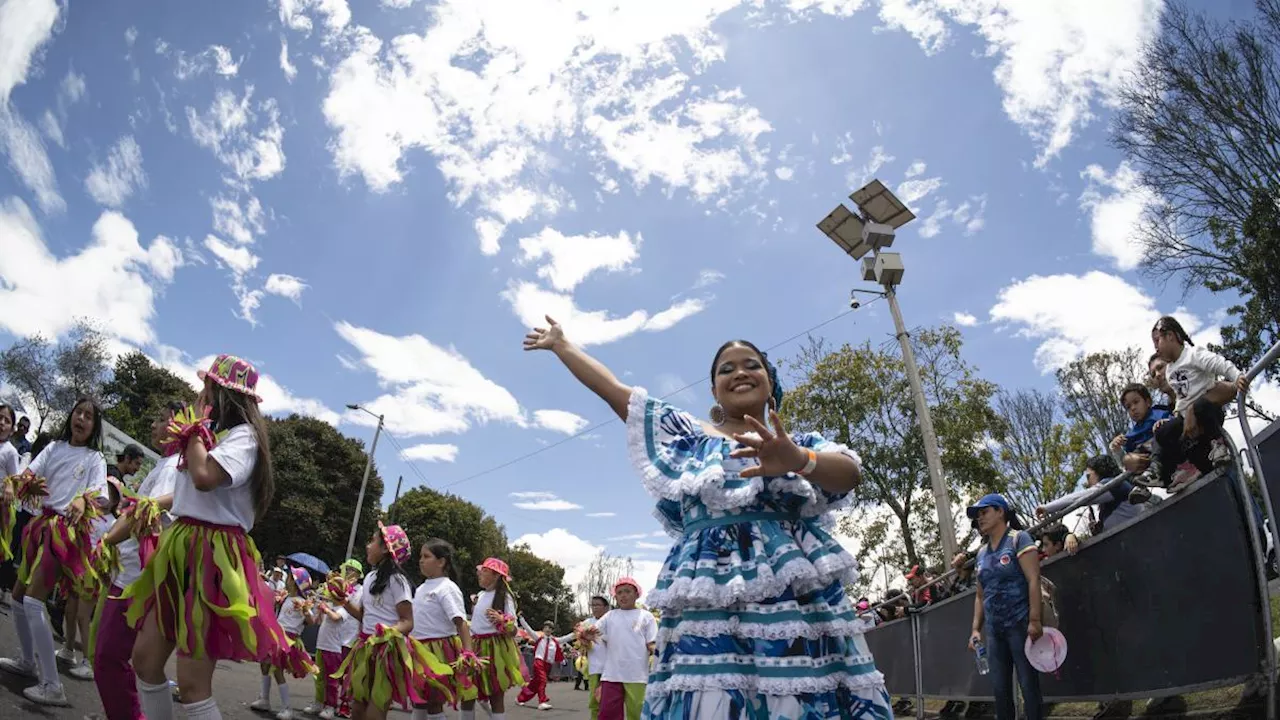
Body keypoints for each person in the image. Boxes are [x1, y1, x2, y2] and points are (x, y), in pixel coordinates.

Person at [524, 318, 892, 718]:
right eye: (726, 368)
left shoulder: (802, 444)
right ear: (714, 389)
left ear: (770, 382)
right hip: (709, 595)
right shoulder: (687, 438)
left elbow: (849, 473)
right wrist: (562, 345)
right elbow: (617, 393)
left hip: (794, 599)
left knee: (798, 687)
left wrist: (798, 461)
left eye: (751, 364)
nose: (739, 372)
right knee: (711, 691)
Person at [123, 354, 287, 720]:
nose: (199, 393)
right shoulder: (212, 436)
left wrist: (193, 429)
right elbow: (185, 494)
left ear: (221, 393)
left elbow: (203, 477)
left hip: (211, 554)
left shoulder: (243, 438)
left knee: (193, 685)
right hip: (181, 545)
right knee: (146, 661)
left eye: (206, 387)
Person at [0, 396, 108, 706]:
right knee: (19, 597)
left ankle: (52, 685)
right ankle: (28, 661)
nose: (82, 419)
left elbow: (100, 495)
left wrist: (82, 500)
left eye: (89, 416)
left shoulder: (94, 458)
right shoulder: (54, 448)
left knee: (33, 600)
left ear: (94, 426)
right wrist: (18, 483)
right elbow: (29, 475)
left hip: (65, 534)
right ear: (71, 416)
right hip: (40, 525)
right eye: (79, 413)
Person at [91, 400, 184, 720]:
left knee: (108, 658)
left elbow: (144, 519)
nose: (153, 425)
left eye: (161, 419)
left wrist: (105, 542)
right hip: (129, 574)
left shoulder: (173, 468)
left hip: (135, 581)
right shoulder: (165, 464)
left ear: (177, 425)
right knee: (112, 657)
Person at [336, 522, 449, 720]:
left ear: (385, 549)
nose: (368, 546)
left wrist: (388, 631)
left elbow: (407, 621)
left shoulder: (398, 580)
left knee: (376, 706)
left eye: (373, 541)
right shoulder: (370, 578)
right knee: (358, 707)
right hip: (364, 647)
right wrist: (343, 602)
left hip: (386, 651)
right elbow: (364, 616)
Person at [1138, 316, 1248, 495]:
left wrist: (1237, 376)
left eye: (1157, 341)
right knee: (1163, 432)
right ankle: (1183, 467)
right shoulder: (1172, 371)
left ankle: (1217, 445)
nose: (1156, 347)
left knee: (1200, 407)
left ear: (1171, 336)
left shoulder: (1193, 354)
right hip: (1190, 430)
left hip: (1207, 411)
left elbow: (1218, 363)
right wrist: (1177, 416)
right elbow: (1182, 397)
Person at [967, 494, 1044, 720]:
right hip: (995, 630)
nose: (980, 519)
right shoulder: (981, 553)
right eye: (977, 515)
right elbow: (980, 595)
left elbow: (1034, 579)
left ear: (1000, 511)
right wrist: (975, 629)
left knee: (1028, 684)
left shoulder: (1018, 539)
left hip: (1020, 625)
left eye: (984, 512)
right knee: (1000, 689)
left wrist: (1035, 620)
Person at [410, 537, 474, 720]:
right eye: (420, 556)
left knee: (433, 702)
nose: (421, 560)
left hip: (437, 651)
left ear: (441, 562)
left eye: (426, 556)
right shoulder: (422, 587)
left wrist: (468, 652)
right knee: (419, 700)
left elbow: (460, 622)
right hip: (418, 649)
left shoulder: (447, 588)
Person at [462, 557, 524, 720]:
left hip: (494, 650)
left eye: (484, 571)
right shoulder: (481, 595)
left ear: (496, 575)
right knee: (467, 693)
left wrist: (502, 620)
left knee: (496, 697)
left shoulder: (505, 597)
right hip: (475, 647)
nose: (479, 574)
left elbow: (514, 630)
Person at [252, 567, 317, 719]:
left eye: (290, 578)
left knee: (277, 670)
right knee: (264, 663)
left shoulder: (301, 602)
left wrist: (306, 611)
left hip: (288, 639)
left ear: (295, 583)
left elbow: (311, 621)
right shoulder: (286, 597)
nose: (287, 579)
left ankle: (287, 708)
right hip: (276, 635)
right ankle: (264, 699)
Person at [595, 578, 657, 720]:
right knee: (607, 714)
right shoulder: (610, 616)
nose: (623, 595)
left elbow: (652, 643)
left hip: (637, 675)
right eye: (619, 592)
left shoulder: (646, 616)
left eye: (627, 592)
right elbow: (594, 630)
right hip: (611, 674)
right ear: (615, 596)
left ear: (636, 594)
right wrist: (585, 634)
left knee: (638, 714)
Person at [1038, 455, 1144, 535]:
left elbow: (1078, 498)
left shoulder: (1113, 485)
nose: (1087, 482)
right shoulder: (1117, 487)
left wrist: (1047, 507)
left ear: (1100, 472)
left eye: (1089, 476)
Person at [1109, 383, 1170, 473]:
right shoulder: (1131, 434)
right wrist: (1117, 447)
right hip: (1144, 462)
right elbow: (1127, 457)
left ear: (1148, 402)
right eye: (1128, 407)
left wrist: (1164, 423)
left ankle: (1154, 470)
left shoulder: (1160, 414)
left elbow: (1174, 425)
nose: (1133, 408)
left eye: (1136, 402)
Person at [517, 620, 563, 710]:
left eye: (550, 628)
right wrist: (521, 618)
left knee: (534, 684)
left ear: (552, 630)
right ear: (543, 629)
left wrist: (578, 632)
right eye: (546, 627)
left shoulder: (555, 641)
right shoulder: (538, 638)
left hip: (548, 665)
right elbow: (528, 629)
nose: (547, 629)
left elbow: (567, 637)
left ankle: (520, 698)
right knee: (542, 680)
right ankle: (542, 701)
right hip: (539, 662)